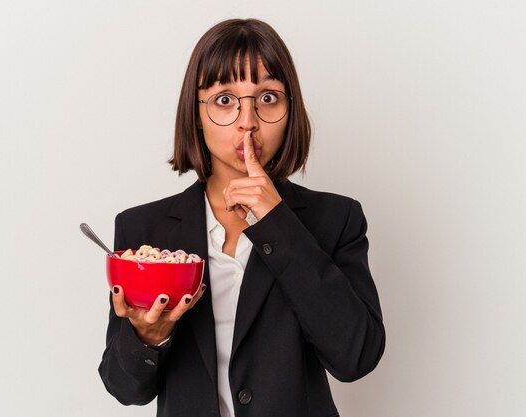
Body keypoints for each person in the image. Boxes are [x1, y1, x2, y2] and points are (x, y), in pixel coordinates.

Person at [98, 18, 385, 417]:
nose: (247, 121)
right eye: (224, 100)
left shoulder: (336, 219)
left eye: (268, 98)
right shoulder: (144, 230)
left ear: (290, 110)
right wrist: (146, 338)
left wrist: (278, 223)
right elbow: (125, 388)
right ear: (196, 113)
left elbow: (357, 356)